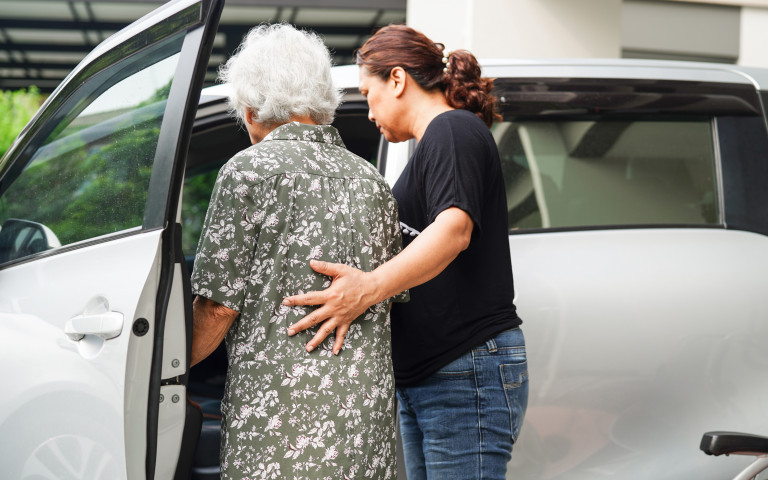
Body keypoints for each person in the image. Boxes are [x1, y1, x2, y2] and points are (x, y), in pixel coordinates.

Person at [283, 24, 529, 480]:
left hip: (464, 368)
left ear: (397, 79)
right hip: (435, 376)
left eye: (367, 92)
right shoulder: (432, 143)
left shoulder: (452, 130)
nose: (367, 108)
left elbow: (454, 230)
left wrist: (368, 288)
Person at [189, 24, 403, 480]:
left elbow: (218, 307)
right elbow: (389, 297)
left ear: (249, 109)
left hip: (278, 426)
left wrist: (168, 369)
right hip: (364, 424)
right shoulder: (373, 182)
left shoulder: (247, 171)